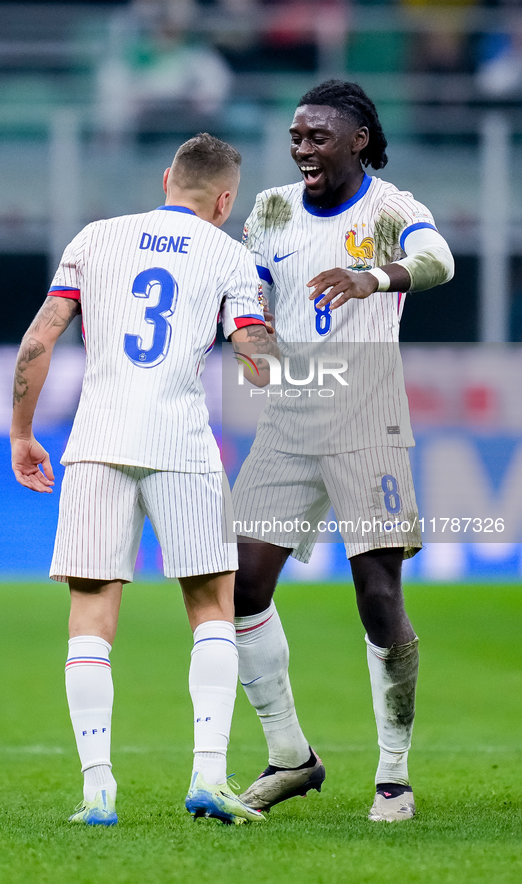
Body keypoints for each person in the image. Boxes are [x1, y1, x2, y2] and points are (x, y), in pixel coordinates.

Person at [10, 133, 273, 827]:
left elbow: (40, 337)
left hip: (96, 443)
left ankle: (97, 790)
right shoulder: (229, 254)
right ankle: (209, 778)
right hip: (181, 443)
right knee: (212, 607)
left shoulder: (95, 237)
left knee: (91, 619)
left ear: (165, 179)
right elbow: (255, 357)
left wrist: (21, 432)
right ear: (224, 200)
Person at [231, 80, 455, 822]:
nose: (302, 148)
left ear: (357, 139)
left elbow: (438, 261)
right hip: (290, 411)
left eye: (317, 135)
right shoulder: (269, 208)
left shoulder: (392, 208)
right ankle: (290, 758)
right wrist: (254, 338)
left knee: (376, 596)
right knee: (239, 588)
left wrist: (370, 276)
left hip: (367, 412)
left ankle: (393, 775)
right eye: (295, 136)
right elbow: (253, 297)